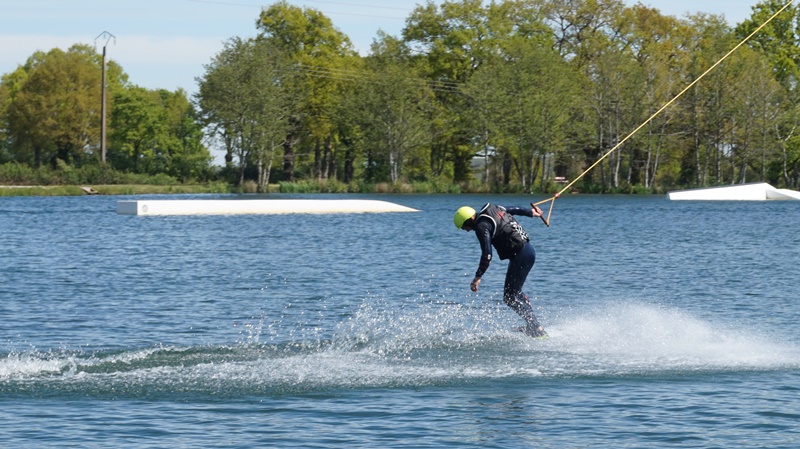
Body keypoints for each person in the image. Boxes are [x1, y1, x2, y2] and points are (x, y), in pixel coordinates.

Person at [454, 202, 547, 338]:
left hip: (521, 255)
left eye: (464, 227)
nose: (467, 230)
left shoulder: (481, 226)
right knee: (516, 293)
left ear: (469, 220)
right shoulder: (494, 209)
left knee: (509, 297)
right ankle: (532, 325)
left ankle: (537, 328)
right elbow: (514, 209)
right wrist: (531, 212)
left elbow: (487, 254)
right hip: (528, 251)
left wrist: (478, 277)